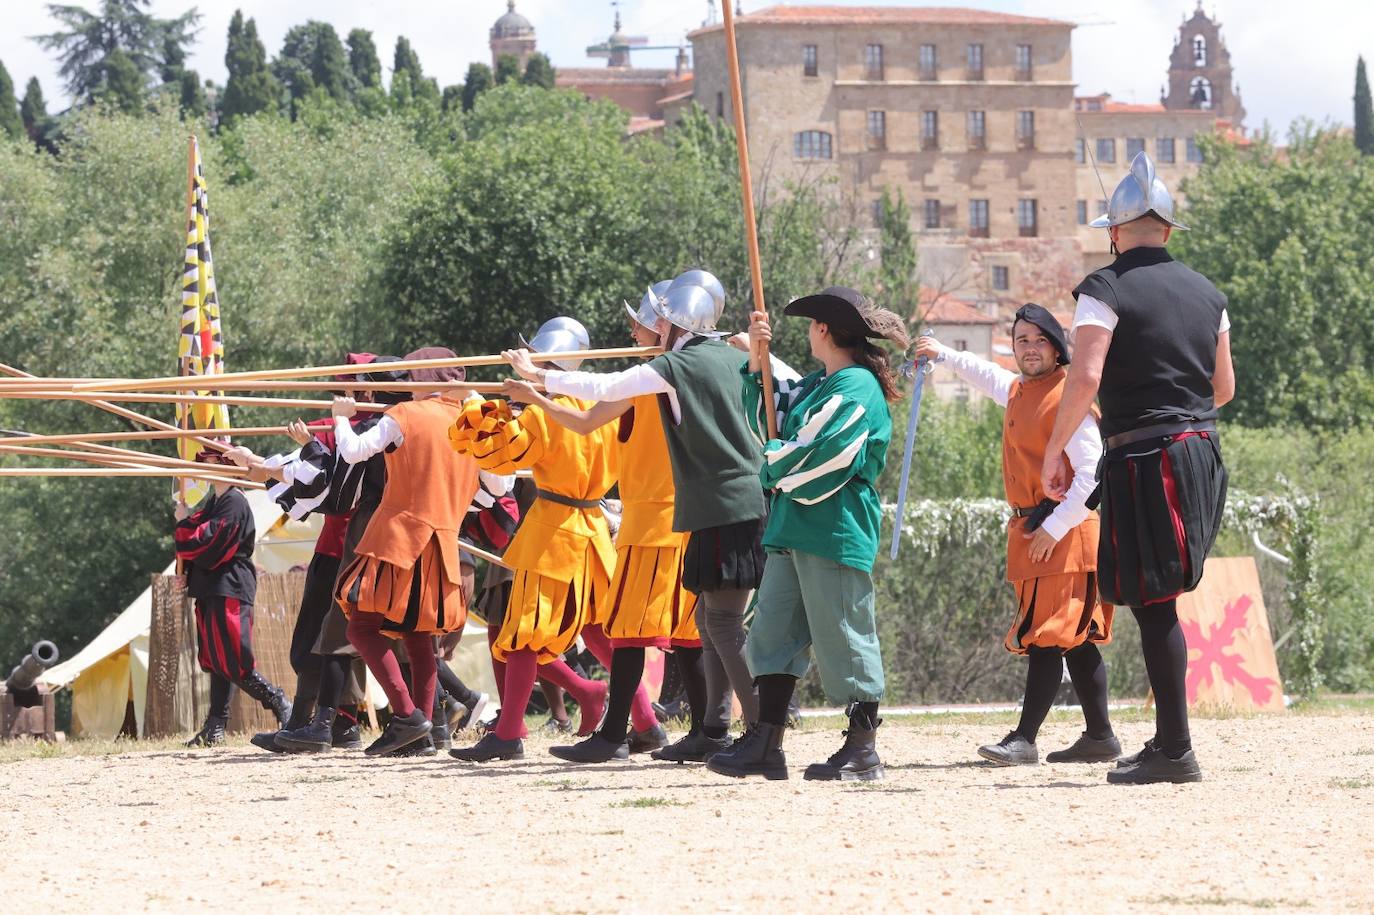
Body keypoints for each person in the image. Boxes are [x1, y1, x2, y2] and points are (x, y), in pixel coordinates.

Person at [505, 272, 767, 762]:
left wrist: (540, 375)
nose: (633, 333)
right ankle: (709, 731)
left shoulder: (671, 368)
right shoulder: (682, 364)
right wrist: (538, 394)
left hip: (673, 519)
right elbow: (587, 417)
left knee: (655, 629)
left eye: (642, 324)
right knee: (698, 630)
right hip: (689, 514)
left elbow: (602, 387)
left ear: (667, 323)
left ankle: (746, 730)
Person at [1043, 152, 1234, 785]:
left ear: (1116, 233)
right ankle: (1168, 743)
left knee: (1154, 604)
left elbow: (1086, 375)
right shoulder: (1210, 293)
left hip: (1148, 455)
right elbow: (1223, 388)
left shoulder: (1104, 288)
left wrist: (1054, 450)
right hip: (1202, 451)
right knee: (1161, 600)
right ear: (1170, 232)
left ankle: (1175, 750)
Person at [703, 286, 904, 781]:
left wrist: (770, 466)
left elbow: (820, 451)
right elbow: (771, 414)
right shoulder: (821, 383)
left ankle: (862, 747)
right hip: (794, 525)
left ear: (823, 330)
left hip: (834, 525)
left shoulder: (856, 386)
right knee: (772, 634)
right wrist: (756, 358)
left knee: (846, 638)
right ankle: (765, 743)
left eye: (811, 324)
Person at [914, 305, 1119, 767]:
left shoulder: (1070, 394)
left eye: (1039, 340)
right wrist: (943, 352)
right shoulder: (1021, 390)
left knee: (1047, 637)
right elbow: (987, 375)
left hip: (1065, 530)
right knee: (1074, 639)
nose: (1029, 348)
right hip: (1039, 530)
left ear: (1056, 345)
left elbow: (1092, 476)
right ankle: (1100, 737)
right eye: (1021, 339)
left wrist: (1052, 528)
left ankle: (1024, 739)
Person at [447, 318, 621, 762]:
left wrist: (475, 405)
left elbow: (498, 455)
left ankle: (507, 734)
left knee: (523, 635)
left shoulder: (546, 413)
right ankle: (644, 721)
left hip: (556, 533)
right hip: (594, 532)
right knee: (602, 633)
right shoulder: (604, 406)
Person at [225, 353, 405, 753]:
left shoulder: (363, 429)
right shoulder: (384, 426)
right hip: (370, 544)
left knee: (323, 641)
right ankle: (338, 724)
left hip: (346, 547)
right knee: (349, 639)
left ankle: (311, 723)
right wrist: (257, 464)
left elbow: (315, 478)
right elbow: (305, 470)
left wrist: (258, 464)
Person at [332, 347, 482, 757]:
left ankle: (407, 717)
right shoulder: (472, 426)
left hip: (400, 539)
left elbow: (353, 452)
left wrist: (341, 416)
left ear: (428, 379)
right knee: (419, 637)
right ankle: (427, 730)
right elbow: (500, 489)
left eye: (412, 377)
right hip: (443, 544)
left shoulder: (406, 416)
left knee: (361, 628)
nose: (407, 386)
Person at [175, 448, 292, 746]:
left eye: (214, 463)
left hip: (230, 585)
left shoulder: (234, 502)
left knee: (233, 656)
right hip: (212, 586)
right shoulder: (214, 503)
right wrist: (185, 567)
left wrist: (183, 524)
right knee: (215, 659)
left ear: (228, 468)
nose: (208, 468)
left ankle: (279, 702)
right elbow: (196, 537)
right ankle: (216, 725)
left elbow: (210, 540)